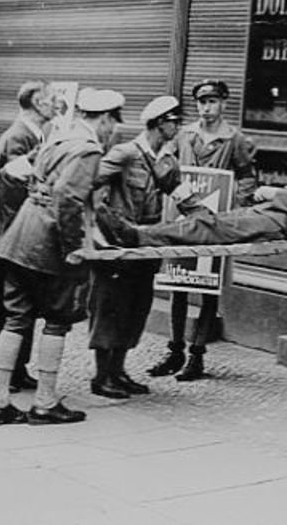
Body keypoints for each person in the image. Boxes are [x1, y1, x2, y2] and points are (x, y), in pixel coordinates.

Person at [0, 88, 124, 427]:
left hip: (20, 238)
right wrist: (73, 247)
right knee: (57, 322)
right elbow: (68, 198)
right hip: (49, 245)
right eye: (112, 124)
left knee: (16, 319)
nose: (112, 131)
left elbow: (12, 172)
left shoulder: (57, 138)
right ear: (103, 119)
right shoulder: (88, 149)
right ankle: (45, 401)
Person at [147, 79, 256, 381]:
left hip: (215, 220)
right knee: (178, 282)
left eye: (212, 102)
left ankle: (197, 355)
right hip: (184, 218)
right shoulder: (184, 135)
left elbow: (247, 177)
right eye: (201, 102)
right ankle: (175, 349)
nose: (206, 108)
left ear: (223, 104)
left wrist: (236, 207)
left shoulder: (235, 139)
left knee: (209, 286)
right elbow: (163, 164)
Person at [97, 135, 287, 249]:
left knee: (213, 228)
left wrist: (273, 194)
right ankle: (137, 233)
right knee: (211, 223)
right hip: (269, 214)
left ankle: (136, 235)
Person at [87, 95, 183, 399]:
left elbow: (181, 194)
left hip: (147, 247)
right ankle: (102, 376)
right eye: (173, 121)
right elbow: (88, 183)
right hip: (118, 248)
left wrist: (207, 222)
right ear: (157, 124)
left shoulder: (166, 160)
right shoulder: (125, 153)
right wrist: (101, 224)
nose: (177, 126)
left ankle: (119, 371)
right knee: (110, 308)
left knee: (136, 309)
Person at [0, 80, 54, 394]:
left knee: (21, 307)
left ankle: (16, 369)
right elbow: (18, 187)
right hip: (13, 233)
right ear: (32, 102)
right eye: (46, 98)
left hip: (19, 233)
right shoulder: (19, 136)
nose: (52, 103)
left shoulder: (37, 134)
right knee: (6, 308)